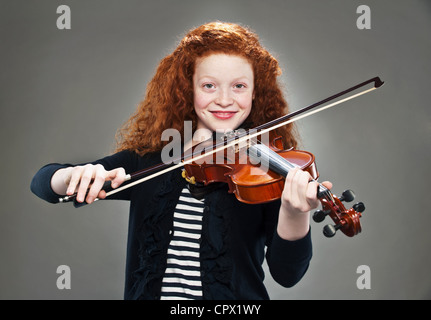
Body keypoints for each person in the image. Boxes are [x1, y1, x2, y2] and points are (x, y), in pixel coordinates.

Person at [31, 21, 331, 300]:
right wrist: (75, 176)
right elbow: (43, 183)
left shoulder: (265, 173)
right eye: (209, 85)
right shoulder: (152, 159)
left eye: (239, 86)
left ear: (255, 93)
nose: (225, 100)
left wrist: (294, 212)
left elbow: (287, 275)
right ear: (189, 90)